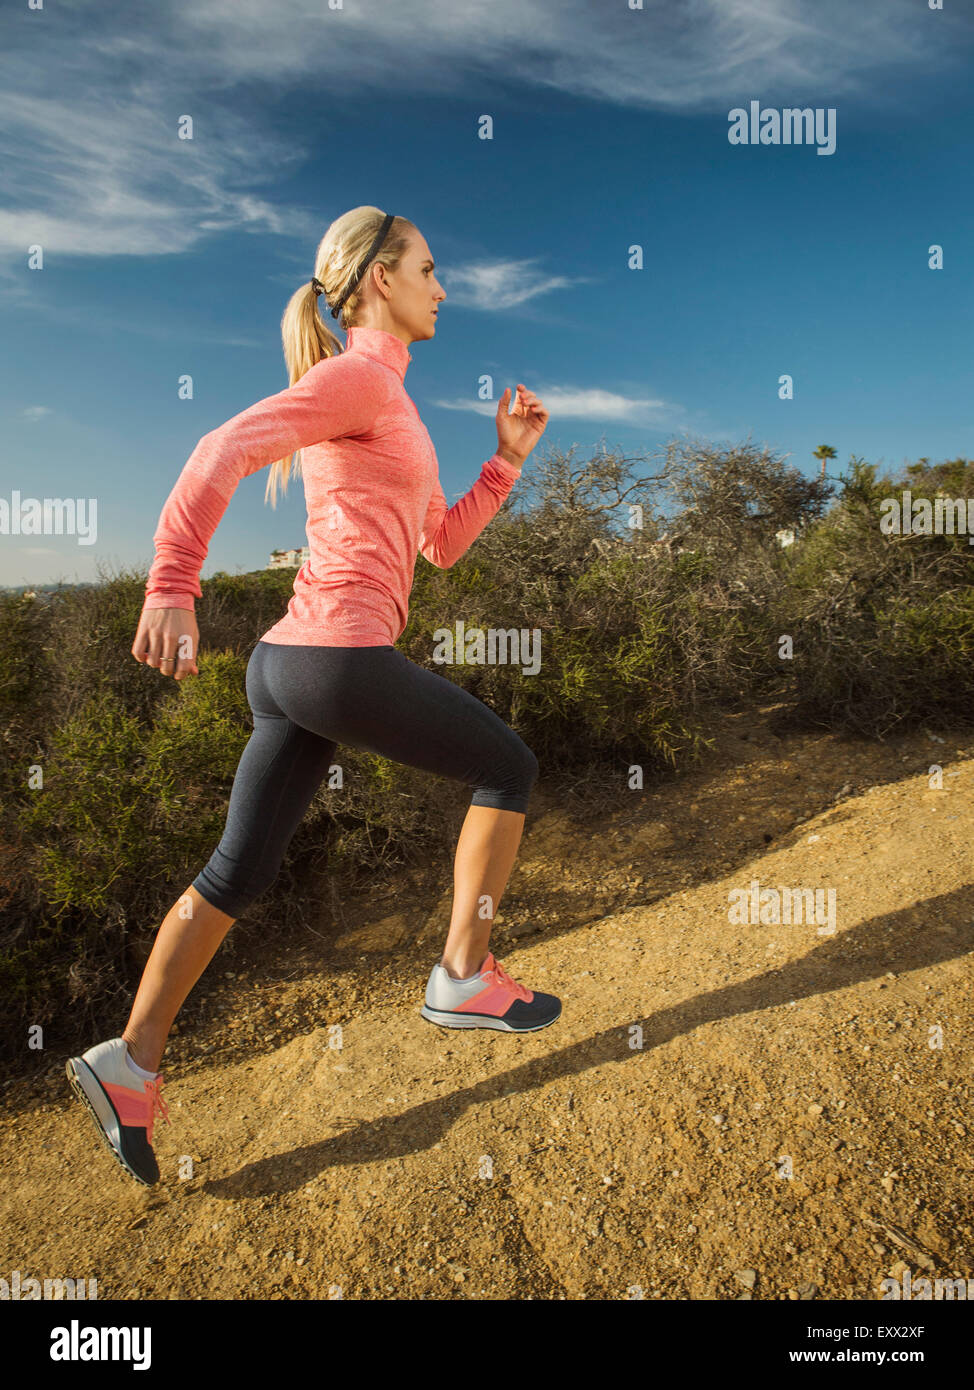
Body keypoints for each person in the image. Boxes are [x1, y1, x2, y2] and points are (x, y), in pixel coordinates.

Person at [66, 206, 558, 1187]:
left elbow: (439, 544)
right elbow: (219, 450)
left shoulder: (393, 407)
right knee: (506, 766)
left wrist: (504, 460)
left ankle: (128, 1063)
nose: (442, 286)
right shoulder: (352, 381)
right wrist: (171, 582)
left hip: (290, 667)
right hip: (330, 659)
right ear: (379, 279)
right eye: (427, 267)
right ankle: (463, 973)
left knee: (235, 876)